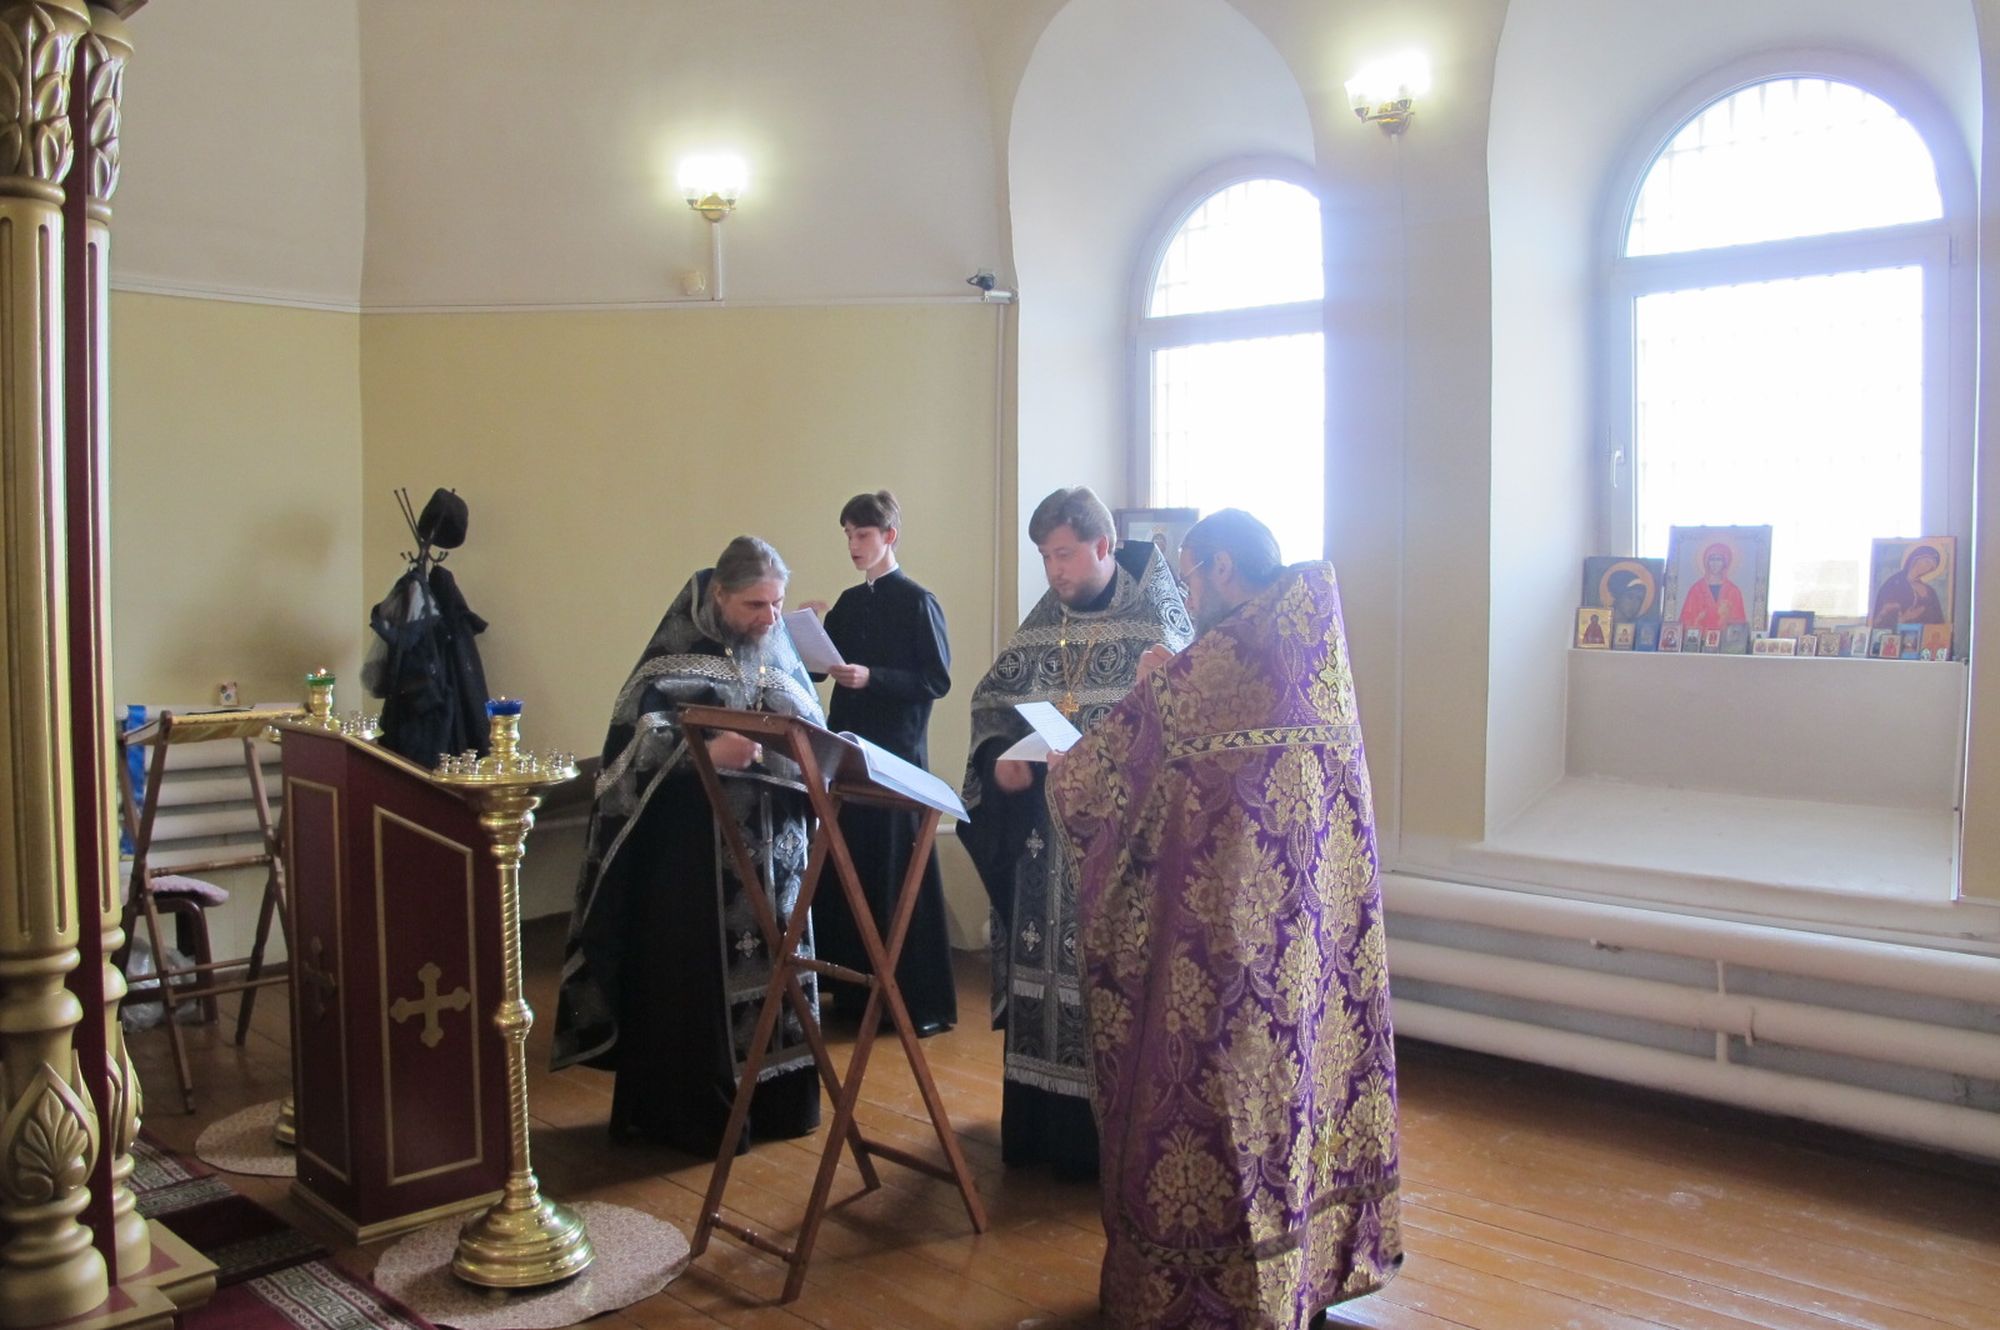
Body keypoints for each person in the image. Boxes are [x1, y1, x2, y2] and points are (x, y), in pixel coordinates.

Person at [1046, 509, 1401, 1329]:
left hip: (1221, 950)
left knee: (1219, 1112)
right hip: (1313, 948)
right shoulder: (1315, 647)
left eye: (1192, 575)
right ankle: (1305, 1276)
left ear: (1224, 568)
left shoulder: (1214, 665)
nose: (1189, 592)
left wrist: (1137, 703)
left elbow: (1099, 784)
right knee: (1300, 1101)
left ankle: (1217, 1298)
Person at [551, 536, 824, 1156]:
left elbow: (811, 728)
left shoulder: (777, 651)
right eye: (756, 605)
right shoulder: (668, 659)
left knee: (778, 968)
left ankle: (780, 1105)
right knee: (694, 983)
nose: (770, 618)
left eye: (777, 604)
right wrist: (702, 750)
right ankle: (696, 1117)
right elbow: (628, 754)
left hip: (775, 857)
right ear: (719, 594)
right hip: (692, 861)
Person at [960, 486, 1193, 1179]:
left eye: (1063, 554)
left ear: (1102, 545)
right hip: (1041, 845)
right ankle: (1041, 1134)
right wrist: (999, 761)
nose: (1053, 569)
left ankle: (1113, 1147)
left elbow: (1182, 738)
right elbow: (992, 703)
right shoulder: (1044, 625)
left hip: (1118, 853)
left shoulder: (1157, 625)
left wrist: (1096, 760)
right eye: (1044, 556)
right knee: (1043, 971)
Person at [811, 490, 957, 1035]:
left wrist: (872, 677)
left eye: (863, 534)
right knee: (852, 863)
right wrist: (805, 632)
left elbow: (935, 680)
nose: (853, 544)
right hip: (848, 750)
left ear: (889, 536)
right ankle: (855, 996)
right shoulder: (848, 603)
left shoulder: (919, 601)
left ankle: (916, 1004)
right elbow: (821, 670)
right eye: (848, 535)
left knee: (897, 866)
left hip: (897, 756)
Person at [1870, 543, 1947, 629]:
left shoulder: (1930, 591)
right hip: (1897, 635)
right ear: (1915, 559)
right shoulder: (1894, 583)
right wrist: (1905, 618)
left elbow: (1938, 621)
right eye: (1927, 562)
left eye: (1932, 567)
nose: (1928, 568)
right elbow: (1879, 621)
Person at [1677, 542, 1746, 632]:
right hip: (1700, 638)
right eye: (1712, 559)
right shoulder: (1696, 589)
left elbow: (1740, 622)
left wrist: (1726, 617)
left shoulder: (1733, 591)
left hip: (1725, 639)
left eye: (1719, 559)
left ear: (1725, 562)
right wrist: (1698, 619)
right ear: (1707, 562)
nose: (1715, 563)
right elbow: (1685, 619)